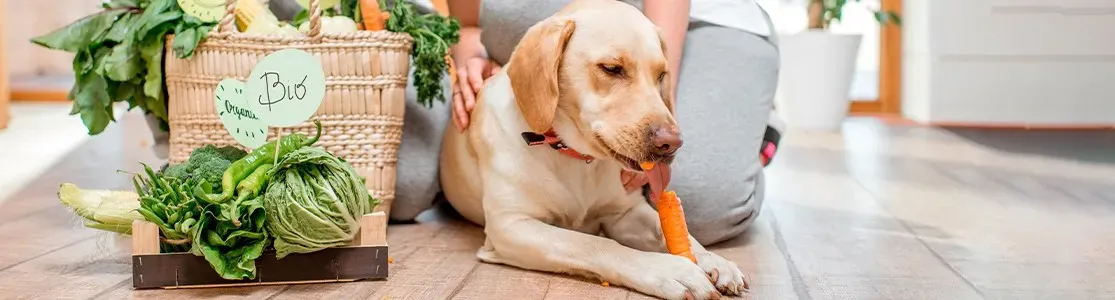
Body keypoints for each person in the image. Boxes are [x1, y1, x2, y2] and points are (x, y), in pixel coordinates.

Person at [435, 0, 785, 245]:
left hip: (696, 22)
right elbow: (467, 21)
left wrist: (658, 105)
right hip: (550, 32)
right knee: (411, 182)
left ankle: (756, 130)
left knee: (705, 206)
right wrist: (471, 58)